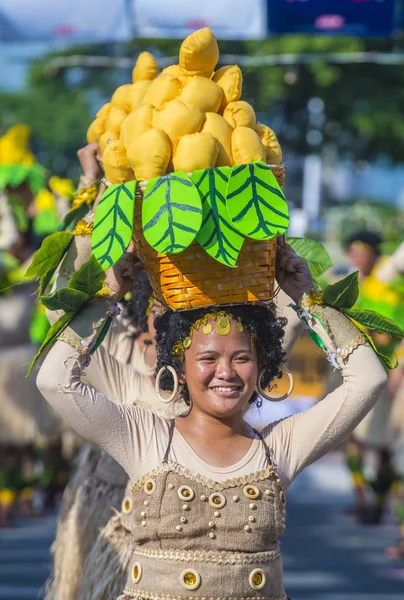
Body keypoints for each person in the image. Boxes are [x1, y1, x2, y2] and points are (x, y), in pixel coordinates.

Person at [37, 239, 388, 600]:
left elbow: (369, 378)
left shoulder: (279, 447)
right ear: (180, 370)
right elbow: (54, 379)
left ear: (262, 366)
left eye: (241, 358)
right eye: (207, 359)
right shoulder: (144, 437)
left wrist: (306, 296)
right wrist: (107, 296)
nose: (225, 373)